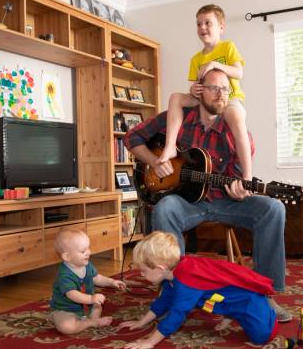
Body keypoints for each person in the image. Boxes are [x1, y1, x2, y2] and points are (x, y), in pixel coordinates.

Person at [123, 67, 291, 322]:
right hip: (187, 203)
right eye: (214, 87)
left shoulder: (236, 131)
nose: (220, 94)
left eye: (225, 89)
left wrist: (240, 190)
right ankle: (174, 289)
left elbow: (239, 180)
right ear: (200, 90)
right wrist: (155, 162)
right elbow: (132, 137)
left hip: (225, 201)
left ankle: (265, 293)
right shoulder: (177, 119)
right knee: (165, 207)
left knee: (274, 208)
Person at [120, 231, 278, 349]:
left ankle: (267, 311)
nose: (141, 274)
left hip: (248, 301)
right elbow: (164, 301)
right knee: (221, 299)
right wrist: (142, 321)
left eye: (143, 271)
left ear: (161, 269)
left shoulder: (186, 282)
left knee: (262, 337)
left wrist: (150, 341)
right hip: (226, 298)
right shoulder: (173, 273)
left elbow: (176, 315)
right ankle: (231, 313)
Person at [157, 4, 252, 181]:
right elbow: (195, 86)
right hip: (205, 100)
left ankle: (247, 176)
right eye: (199, 24)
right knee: (175, 97)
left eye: (208, 23)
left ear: (221, 27)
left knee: (238, 120)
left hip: (229, 99)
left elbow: (239, 73)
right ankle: (170, 146)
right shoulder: (196, 59)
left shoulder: (228, 47)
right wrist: (193, 89)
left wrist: (215, 65)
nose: (202, 27)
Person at [49, 229, 126, 334]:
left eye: (88, 248)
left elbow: (97, 278)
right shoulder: (65, 275)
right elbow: (72, 294)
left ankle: (91, 319)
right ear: (67, 256)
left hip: (87, 306)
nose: (88, 252)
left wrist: (111, 282)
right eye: (83, 251)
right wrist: (91, 298)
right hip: (66, 309)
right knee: (67, 328)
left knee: (98, 306)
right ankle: (91, 323)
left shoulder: (86, 265)